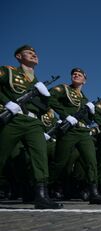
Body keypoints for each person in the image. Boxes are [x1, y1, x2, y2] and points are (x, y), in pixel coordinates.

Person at [0, 45, 62, 209]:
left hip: (34, 122)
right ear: (19, 56)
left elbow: (44, 108)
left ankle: (41, 195)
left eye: (35, 53)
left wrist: (46, 96)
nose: (34, 55)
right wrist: (6, 102)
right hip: (13, 119)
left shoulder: (36, 82)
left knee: (40, 156)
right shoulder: (9, 71)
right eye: (29, 53)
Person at [48, 68, 101, 204]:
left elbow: (89, 120)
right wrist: (65, 115)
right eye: (74, 74)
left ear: (84, 80)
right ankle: (43, 188)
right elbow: (50, 98)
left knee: (91, 161)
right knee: (60, 162)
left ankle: (94, 192)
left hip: (83, 132)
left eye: (79, 75)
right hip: (69, 130)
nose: (76, 75)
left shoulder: (84, 98)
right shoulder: (63, 89)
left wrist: (91, 113)